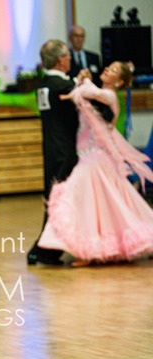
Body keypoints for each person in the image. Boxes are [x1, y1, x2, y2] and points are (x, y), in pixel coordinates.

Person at [38, 62, 153, 264]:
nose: (107, 69)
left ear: (119, 82)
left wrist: (82, 81)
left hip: (95, 158)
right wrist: (80, 83)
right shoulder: (98, 95)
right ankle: (89, 249)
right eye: (109, 67)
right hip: (88, 156)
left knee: (80, 198)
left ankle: (87, 251)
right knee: (108, 205)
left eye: (114, 70)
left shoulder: (109, 96)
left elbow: (89, 92)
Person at [27, 39, 80, 266]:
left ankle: (48, 249)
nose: (70, 59)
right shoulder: (62, 86)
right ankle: (42, 249)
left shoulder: (45, 84)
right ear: (60, 60)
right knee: (60, 200)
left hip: (51, 147)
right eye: (68, 55)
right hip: (64, 150)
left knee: (55, 198)